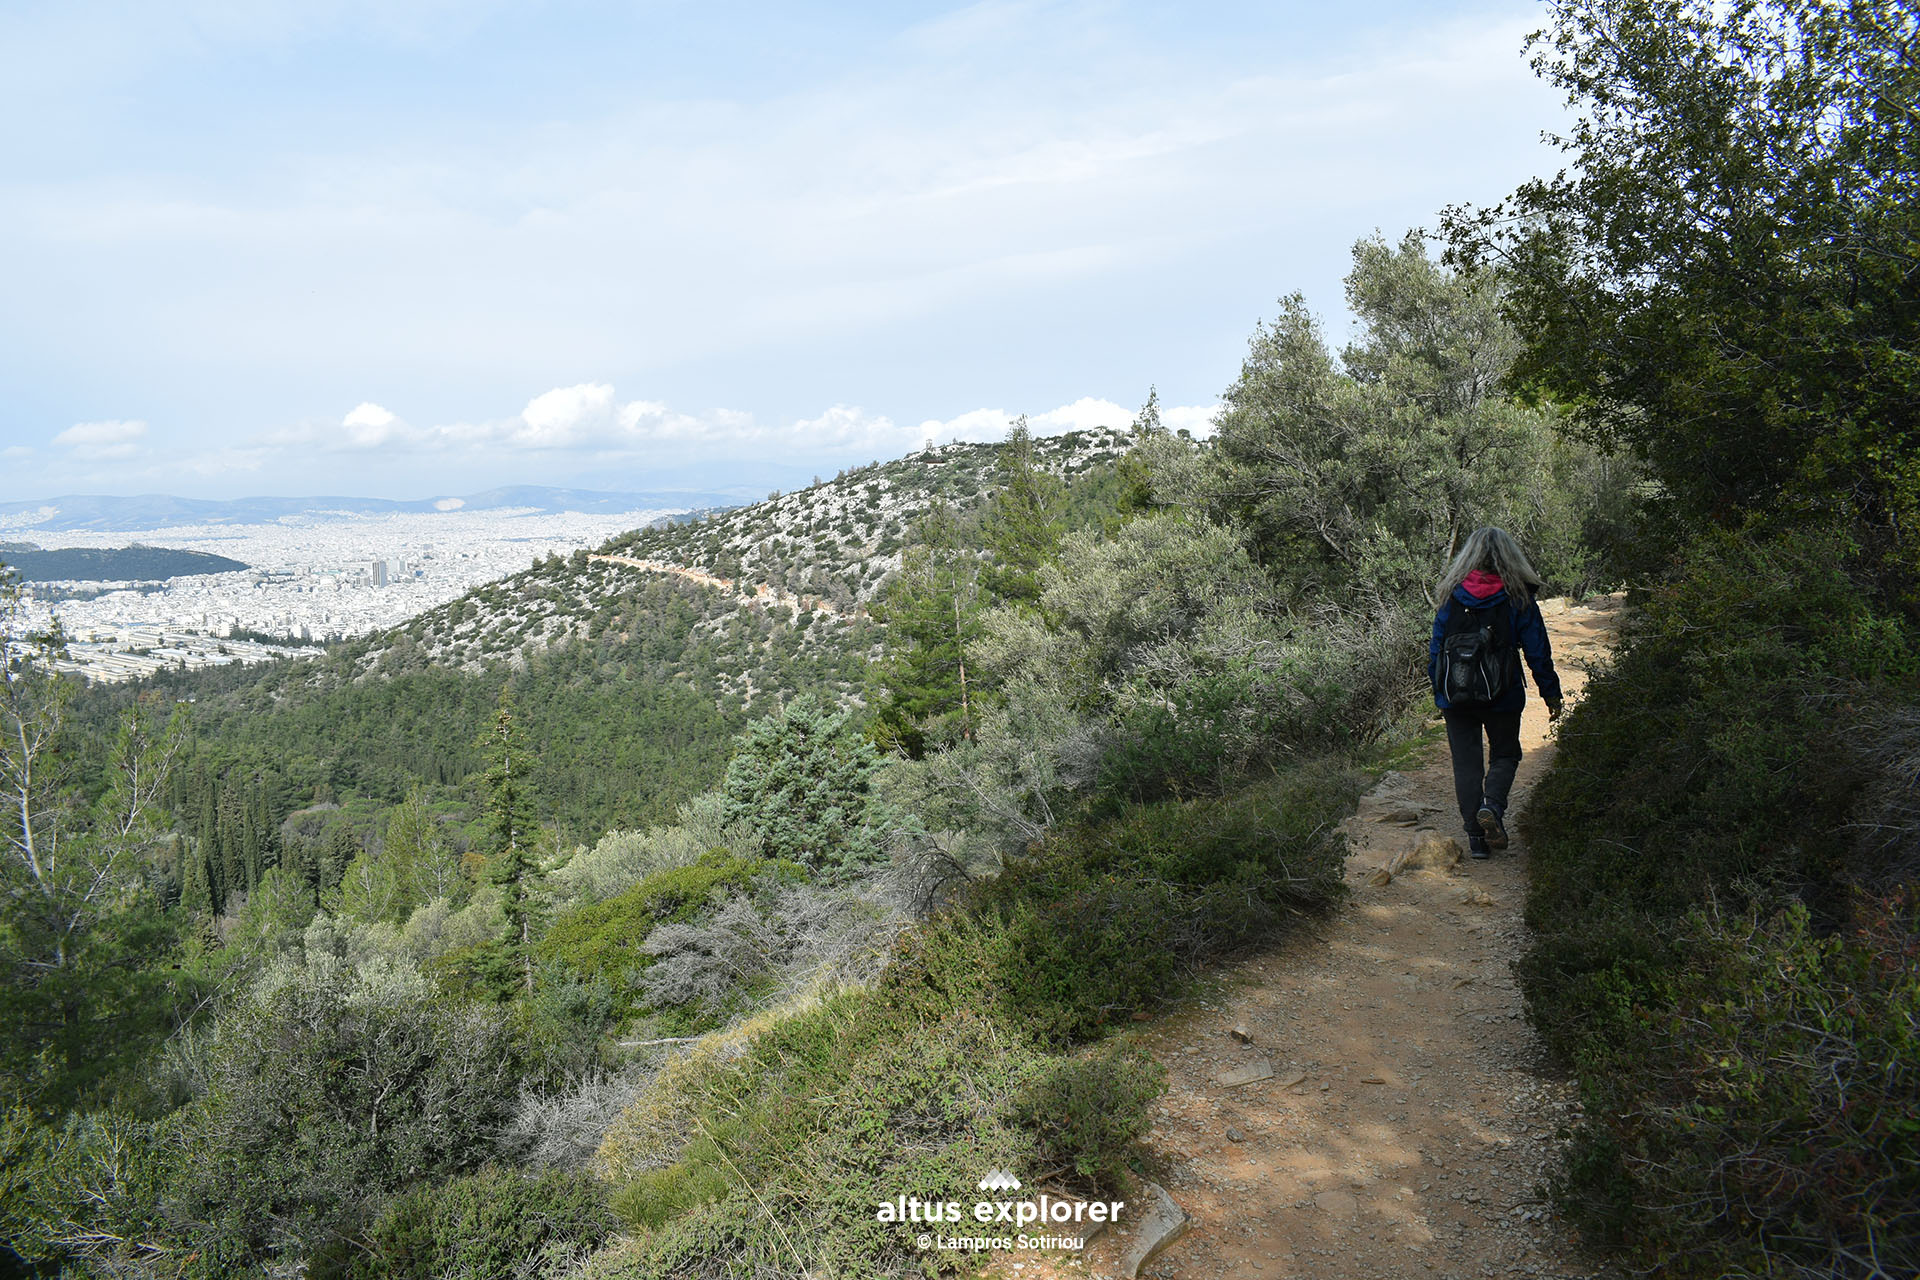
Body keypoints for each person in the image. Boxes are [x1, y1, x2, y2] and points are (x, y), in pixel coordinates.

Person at [1428, 527, 1564, 860]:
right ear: (1510, 556)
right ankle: (1492, 806)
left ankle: (1476, 839)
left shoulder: (1451, 594)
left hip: (1455, 695)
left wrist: (1440, 690)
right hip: (1502, 694)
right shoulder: (1518, 597)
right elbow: (1537, 651)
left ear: (1469, 556)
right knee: (1505, 754)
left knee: (1466, 764)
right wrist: (1551, 693)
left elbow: (1435, 649)